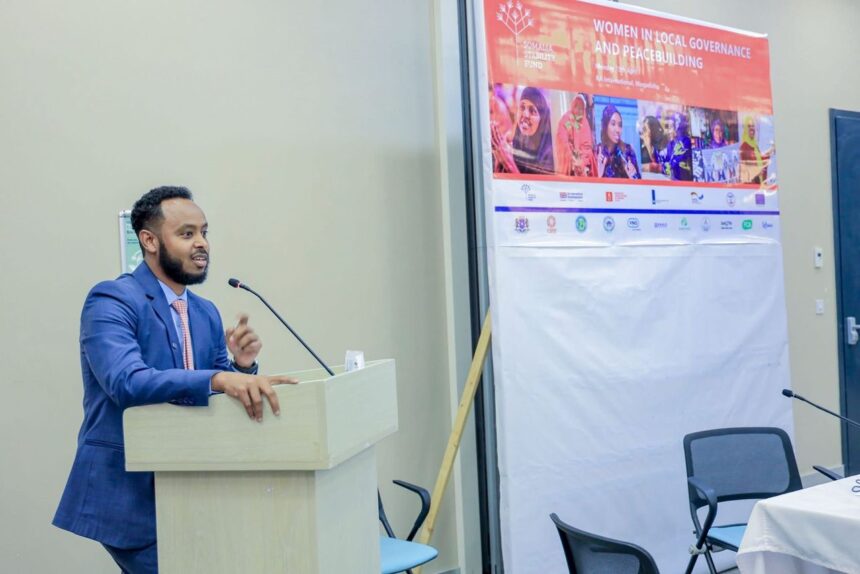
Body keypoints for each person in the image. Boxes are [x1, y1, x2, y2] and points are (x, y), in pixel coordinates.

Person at [52, 186, 298, 573]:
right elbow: (127, 381)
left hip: (194, 486)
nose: (201, 243)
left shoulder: (205, 312)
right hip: (129, 495)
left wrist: (242, 367)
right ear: (149, 241)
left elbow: (216, 392)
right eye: (186, 233)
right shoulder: (112, 300)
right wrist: (221, 378)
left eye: (204, 232)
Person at [491, 86, 555, 175]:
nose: (525, 115)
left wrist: (507, 162)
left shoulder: (550, 155)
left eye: (532, 111)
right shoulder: (516, 143)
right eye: (522, 107)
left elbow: (531, 184)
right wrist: (499, 158)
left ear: (542, 121)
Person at [555, 93, 597, 177]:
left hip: (583, 165)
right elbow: (562, 136)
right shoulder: (567, 118)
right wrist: (571, 156)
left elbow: (587, 146)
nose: (578, 110)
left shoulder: (585, 123)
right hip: (569, 161)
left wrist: (582, 161)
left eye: (581, 108)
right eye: (576, 106)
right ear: (573, 106)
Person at [596, 104, 640, 179]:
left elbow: (640, 182)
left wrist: (633, 177)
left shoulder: (628, 151)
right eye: (613, 124)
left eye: (620, 125)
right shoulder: (597, 151)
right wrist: (598, 174)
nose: (618, 130)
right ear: (605, 126)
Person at [740, 115, 774, 184]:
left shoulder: (754, 145)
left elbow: (760, 159)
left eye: (753, 126)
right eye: (749, 126)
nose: (752, 128)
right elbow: (744, 169)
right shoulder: (744, 147)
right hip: (751, 185)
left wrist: (771, 150)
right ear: (745, 128)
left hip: (759, 182)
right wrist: (756, 172)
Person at [663, 112, 693, 181]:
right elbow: (667, 162)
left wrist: (668, 166)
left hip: (684, 181)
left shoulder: (686, 141)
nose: (669, 131)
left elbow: (675, 161)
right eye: (668, 128)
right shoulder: (670, 144)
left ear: (677, 127)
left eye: (670, 127)